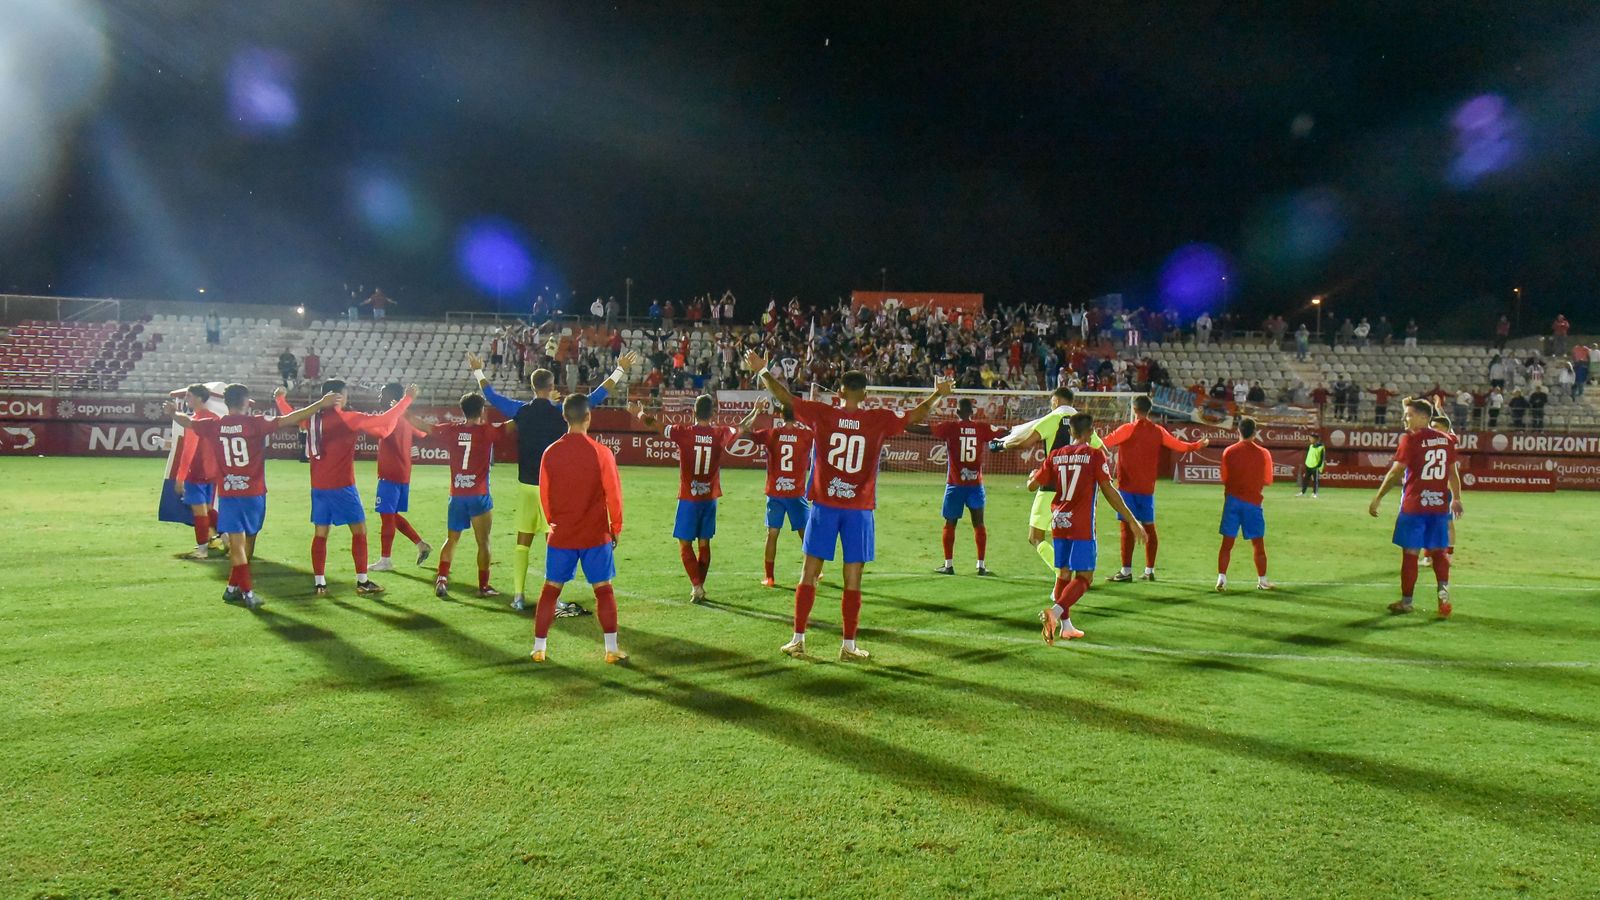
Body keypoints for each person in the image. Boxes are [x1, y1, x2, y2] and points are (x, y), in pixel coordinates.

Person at [745, 349, 952, 660]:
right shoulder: (878, 419)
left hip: (824, 507)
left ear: (839, 392)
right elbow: (915, 415)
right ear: (865, 394)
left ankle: (798, 639)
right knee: (853, 577)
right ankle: (848, 646)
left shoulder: (822, 414)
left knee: (809, 572)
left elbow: (785, 398)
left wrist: (762, 371)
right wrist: (938, 394)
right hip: (858, 510)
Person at [470, 349, 637, 613]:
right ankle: (555, 597)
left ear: (532, 387)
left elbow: (491, 396)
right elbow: (596, 397)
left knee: (522, 542)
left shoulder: (520, 411)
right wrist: (619, 369)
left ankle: (518, 595)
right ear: (552, 387)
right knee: (555, 540)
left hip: (526, 486)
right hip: (552, 490)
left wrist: (478, 370)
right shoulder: (561, 412)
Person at [166, 385, 336, 609]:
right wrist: (320, 404)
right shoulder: (255, 423)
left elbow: (186, 421)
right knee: (249, 542)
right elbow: (291, 418)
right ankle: (247, 592)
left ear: (226, 402)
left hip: (229, 494)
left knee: (237, 546)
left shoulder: (214, 425)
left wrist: (172, 412)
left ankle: (232, 588)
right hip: (253, 494)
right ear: (246, 402)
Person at [275, 379, 419, 596]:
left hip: (318, 487)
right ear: (339, 396)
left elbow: (289, 414)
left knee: (320, 534)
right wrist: (407, 399)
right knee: (359, 531)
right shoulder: (347, 418)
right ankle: (362, 581)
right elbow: (384, 419)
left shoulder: (311, 419)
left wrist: (280, 398)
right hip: (342, 486)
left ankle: (320, 584)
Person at [1026, 412, 1144, 644]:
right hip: (1081, 525)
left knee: (1064, 573)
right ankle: (1054, 613)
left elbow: (1032, 485)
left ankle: (1066, 627)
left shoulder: (1056, 455)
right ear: (1091, 432)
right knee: (1085, 577)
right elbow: (1109, 490)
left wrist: (1032, 477)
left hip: (1059, 521)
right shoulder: (1094, 455)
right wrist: (1131, 520)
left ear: (1070, 432)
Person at [530, 394, 627, 664]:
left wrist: (554, 522)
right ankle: (611, 649)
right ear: (588, 417)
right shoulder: (601, 452)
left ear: (564, 416)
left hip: (561, 534)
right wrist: (616, 526)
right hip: (595, 534)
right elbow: (614, 494)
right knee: (603, 589)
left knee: (551, 589)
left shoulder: (551, 452)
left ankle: (539, 648)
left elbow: (544, 495)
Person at [629, 394, 737, 603]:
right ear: (713, 414)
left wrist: (639, 413)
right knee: (704, 543)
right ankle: (700, 586)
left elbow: (656, 425)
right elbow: (741, 428)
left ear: (694, 412)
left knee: (685, 544)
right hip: (709, 499)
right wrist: (756, 411)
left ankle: (696, 586)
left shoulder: (683, 432)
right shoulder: (720, 433)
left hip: (689, 498)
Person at [1368, 398, 1463, 617]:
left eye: (1410, 415)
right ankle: (1443, 600)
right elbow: (1452, 472)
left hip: (1414, 506)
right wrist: (1456, 498)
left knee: (1411, 553)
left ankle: (1406, 602)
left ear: (1423, 417)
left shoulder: (1410, 440)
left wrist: (1378, 497)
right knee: (1439, 552)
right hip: (1438, 506)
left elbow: (1396, 472)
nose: (1406, 418)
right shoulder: (1446, 439)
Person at [1100, 394, 1209, 582]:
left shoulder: (1127, 429)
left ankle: (1126, 571)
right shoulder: (1158, 431)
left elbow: (1104, 443)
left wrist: (1082, 442)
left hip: (1127, 487)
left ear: (1134, 409)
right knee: (1149, 528)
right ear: (1149, 410)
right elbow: (1180, 446)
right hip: (1147, 489)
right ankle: (1149, 570)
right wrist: (1197, 445)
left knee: (1127, 527)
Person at [998, 387, 1105, 576]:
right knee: (1072, 535)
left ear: (1056, 401)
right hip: (1077, 492)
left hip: (1052, 487)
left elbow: (1026, 442)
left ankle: (1061, 572)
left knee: (1035, 536)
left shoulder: (1052, 419)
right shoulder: (1080, 422)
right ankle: (1077, 574)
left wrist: (1003, 445)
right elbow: (1101, 449)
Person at [911, 397, 1008, 576]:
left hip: (955, 485)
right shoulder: (982, 428)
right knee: (979, 524)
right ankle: (981, 566)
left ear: (956, 412)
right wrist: (1022, 431)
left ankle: (948, 565)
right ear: (972, 412)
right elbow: (1003, 433)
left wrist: (903, 425)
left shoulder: (950, 427)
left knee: (950, 523)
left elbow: (925, 430)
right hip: (975, 485)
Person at [430, 393, 508, 598]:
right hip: (478, 495)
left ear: (463, 411)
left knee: (451, 539)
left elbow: (426, 427)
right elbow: (514, 424)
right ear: (482, 410)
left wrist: (403, 410)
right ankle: (483, 587)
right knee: (483, 542)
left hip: (457, 494)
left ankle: (442, 579)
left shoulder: (451, 430)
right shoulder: (487, 431)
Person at [739, 399, 815, 588]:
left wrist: (756, 411)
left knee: (772, 533)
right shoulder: (806, 435)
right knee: (805, 533)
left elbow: (743, 429)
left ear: (780, 415)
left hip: (776, 492)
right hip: (796, 492)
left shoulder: (772, 434)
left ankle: (770, 577)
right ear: (796, 416)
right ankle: (815, 572)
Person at [370, 382, 433, 572]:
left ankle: (385, 560)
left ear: (392, 397)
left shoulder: (391, 419)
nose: (379, 397)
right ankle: (421, 545)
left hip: (390, 474)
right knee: (391, 516)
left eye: (383, 394)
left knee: (387, 517)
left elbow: (373, 428)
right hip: (403, 474)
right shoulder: (405, 419)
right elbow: (422, 433)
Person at [1216, 417, 1275, 592]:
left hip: (1232, 501)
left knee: (1227, 543)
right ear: (1255, 432)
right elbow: (1268, 480)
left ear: (1238, 431)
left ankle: (1221, 578)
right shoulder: (1263, 453)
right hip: (1252, 503)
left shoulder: (1228, 451)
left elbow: (1224, 477)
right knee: (1258, 544)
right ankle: (1262, 580)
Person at [171, 383, 223, 559]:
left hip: (197, 471)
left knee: (199, 512)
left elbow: (189, 451)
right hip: (212, 472)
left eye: (189, 396)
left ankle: (202, 550)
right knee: (208, 508)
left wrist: (180, 477)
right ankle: (227, 538)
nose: (186, 399)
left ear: (200, 398)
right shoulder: (215, 418)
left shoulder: (196, 421)